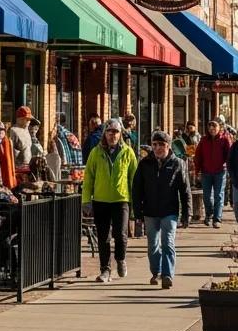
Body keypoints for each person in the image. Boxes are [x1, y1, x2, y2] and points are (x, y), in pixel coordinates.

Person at [132, 130, 191, 288]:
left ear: (168, 146)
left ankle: (167, 275)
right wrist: (137, 212)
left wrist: (187, 214)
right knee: (153, 245)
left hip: (169, 211)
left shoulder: (177, 163)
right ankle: (156, 272)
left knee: (167, 242)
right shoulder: (144, 164)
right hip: (150, 211)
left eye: (161, 145)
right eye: (155, 144)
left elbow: (185, 191)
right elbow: (137, 189)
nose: (158, 148)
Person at [82, 118, 138, 282]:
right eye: (109, 131)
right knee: (103, 236)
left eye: (116, 132)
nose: (112, 135)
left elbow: (134, 179)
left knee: (120, 235)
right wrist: (87, 200)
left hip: (121, 199)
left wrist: (135, 204)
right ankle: (105, 270)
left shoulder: (128, 152)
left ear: (120, 134)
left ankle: (120, 259)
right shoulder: (96, 152)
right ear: (105, 133)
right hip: (101, 200)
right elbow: (88, 178)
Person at [194, 119, 230, 227]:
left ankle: (217, 219)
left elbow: (229, 155)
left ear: (219, 128)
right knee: (207, 196)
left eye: (214, 127)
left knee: (218, 195)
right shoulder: (204, 140)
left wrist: (227, 166)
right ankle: (209, 215)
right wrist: (197, 170)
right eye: (210, 127)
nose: (212, 129)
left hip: (220, 171)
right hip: (206, 172)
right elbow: (198, 155)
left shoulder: (224, 140)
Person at [9, 106, 34, 171]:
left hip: (28, 165)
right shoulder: (13, 131)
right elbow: (10, 151)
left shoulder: (26, 131)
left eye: (29, 119)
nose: (29, 121)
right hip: (17, 167)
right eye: (27, 119)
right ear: (20, 119)